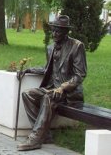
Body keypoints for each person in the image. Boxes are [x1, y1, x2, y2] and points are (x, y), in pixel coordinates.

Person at [17, 15, 87, 151]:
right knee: (28, 94)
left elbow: (80, 75)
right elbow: (47, 68)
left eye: (58, 31)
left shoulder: (77, 46)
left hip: (69, 93)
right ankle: (46, 135)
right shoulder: (50, 48)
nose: (54, 34)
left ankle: (36, 139)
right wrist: (28, 69)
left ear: (66, 32)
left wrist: (63, 87)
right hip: (52, 88)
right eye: (53, 31)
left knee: (48, 97)